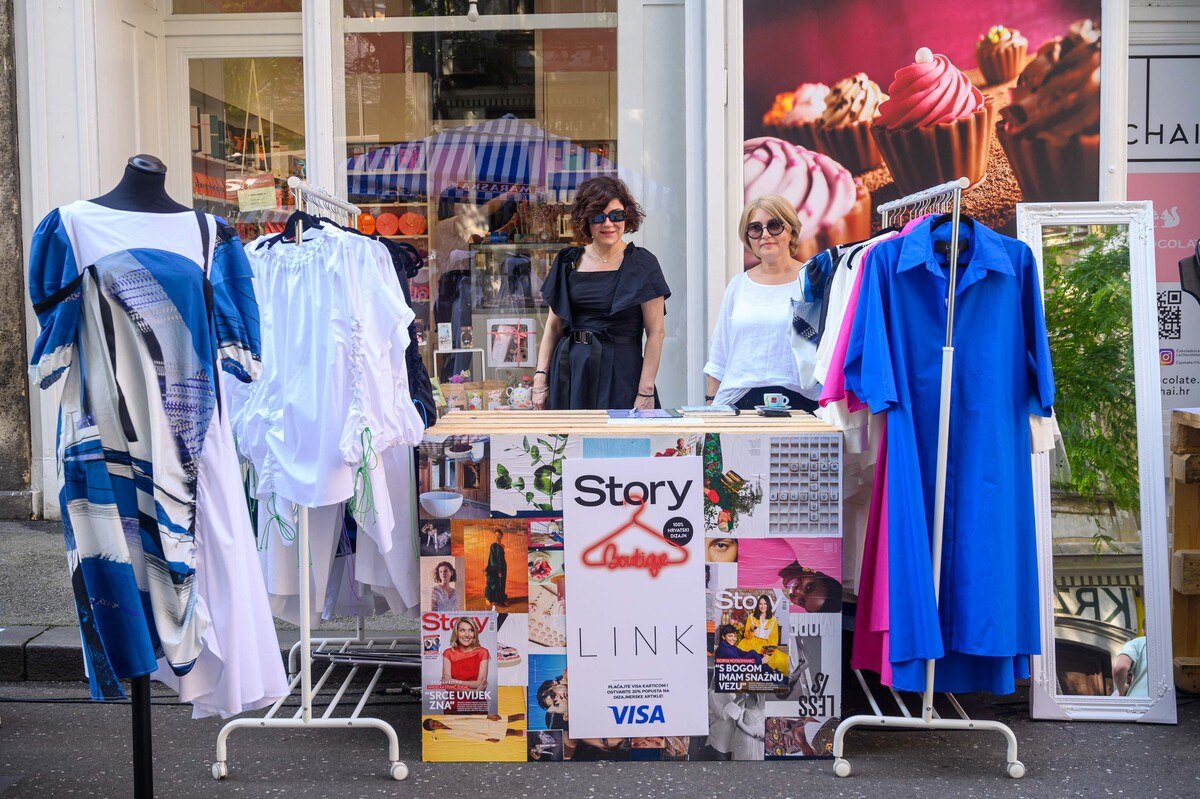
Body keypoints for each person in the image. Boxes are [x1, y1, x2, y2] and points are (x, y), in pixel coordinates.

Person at [532, 176, 670, 410]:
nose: (608, 224)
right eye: (598, 216)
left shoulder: (643, 264)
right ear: (585, 220)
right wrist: (540, 377)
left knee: (620, 435)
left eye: (616, 215)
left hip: (621, 374)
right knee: (570, 434)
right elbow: (553, 327)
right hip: (570, 372)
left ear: (627, 216)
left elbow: (656, 332)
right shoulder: (567, 262)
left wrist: (645, 390)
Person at [705, 194, 819, 411]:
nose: (765, 235)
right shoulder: (738, 285)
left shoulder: (812, 282)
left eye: (774, 226)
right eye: (755, 228)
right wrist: (711, 405)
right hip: (739, 401)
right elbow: (719, 355)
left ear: (791, 230)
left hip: (803, 403)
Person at [737, 594, 790, 673]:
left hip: (766, 645)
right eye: (760, 604)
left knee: (781, 661)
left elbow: (774, 639)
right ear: (758, 605)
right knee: (747, 660)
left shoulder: (773, 619)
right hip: (750, 643)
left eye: (765, 604)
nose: (763, 606)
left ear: (768, 605)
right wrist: (751, 630)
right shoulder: (751, 617)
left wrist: (767, 653)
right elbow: (746, 636)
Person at [441, 616, 489, 691]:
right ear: (456, 633)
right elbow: (447, 686)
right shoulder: (448, 653)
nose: (467, 635)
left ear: (475, 633)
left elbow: (480, 683)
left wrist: (453, 681)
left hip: (477, 699)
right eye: (462, 630)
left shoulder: (482, 652)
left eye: (471, 630)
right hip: (456, 699)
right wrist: (475, 692)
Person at [484, 528, 509, 608]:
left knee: (502, 583)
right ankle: (495, 600)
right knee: (496, 584)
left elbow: (501, 558)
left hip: (503, 567)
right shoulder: (493, 546)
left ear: (501, 536)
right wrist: (498, 571)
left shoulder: (502, 546)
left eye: (499, 535)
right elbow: (492, 559)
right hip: (495, 568)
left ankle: (501, 600)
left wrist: (502, 569)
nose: (497, 536)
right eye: (496, 535)